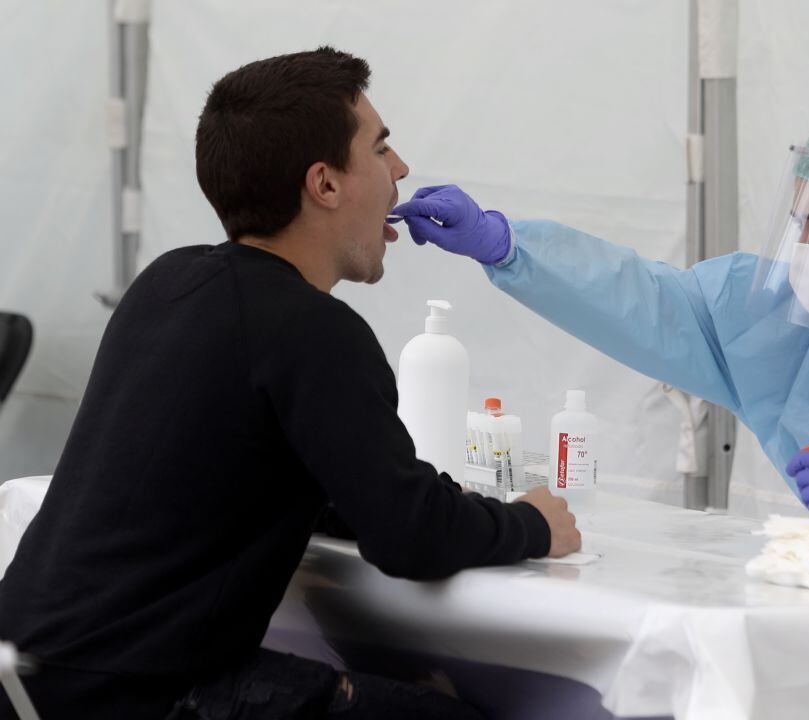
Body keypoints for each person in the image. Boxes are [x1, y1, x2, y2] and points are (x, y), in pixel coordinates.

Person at [0, 47, 580, 720]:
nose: (401, 170)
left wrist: (411, 499)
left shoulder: (167, 283)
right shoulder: (313, 330)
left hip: (26, 669)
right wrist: (531, 524)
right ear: (325, 185)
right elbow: (411, 538)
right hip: (132, 692)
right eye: (381, 147)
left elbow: (252, 464)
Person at [393, 97, 809, 535]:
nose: (799, 251)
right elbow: (644, 304)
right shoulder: (778, 318)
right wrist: (510, 247)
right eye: (796, 222)